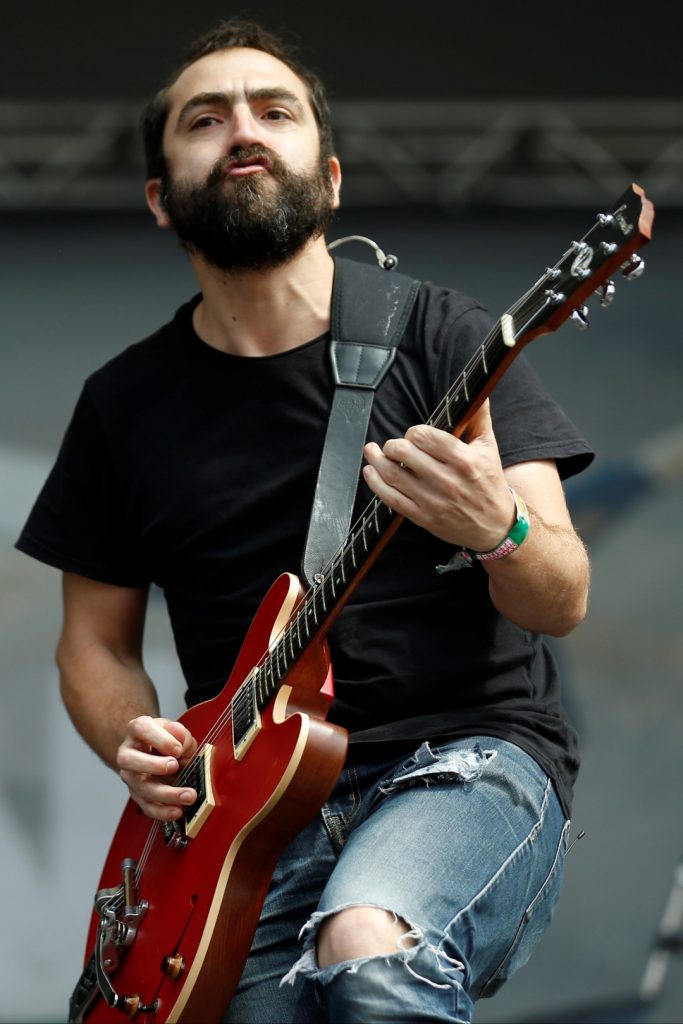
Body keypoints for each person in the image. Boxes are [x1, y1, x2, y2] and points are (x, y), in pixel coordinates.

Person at [16, 17, 594, 1024]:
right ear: (159, 198)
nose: (242, 129)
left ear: (328, 181)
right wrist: (132, 739)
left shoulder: (445, 338)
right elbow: (93, 645)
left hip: (461, 759)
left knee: (367, 944)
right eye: (205, 118)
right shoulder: (123, 404)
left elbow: (561, 597)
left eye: (273, 111)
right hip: (245, 813)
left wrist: (494, 526)